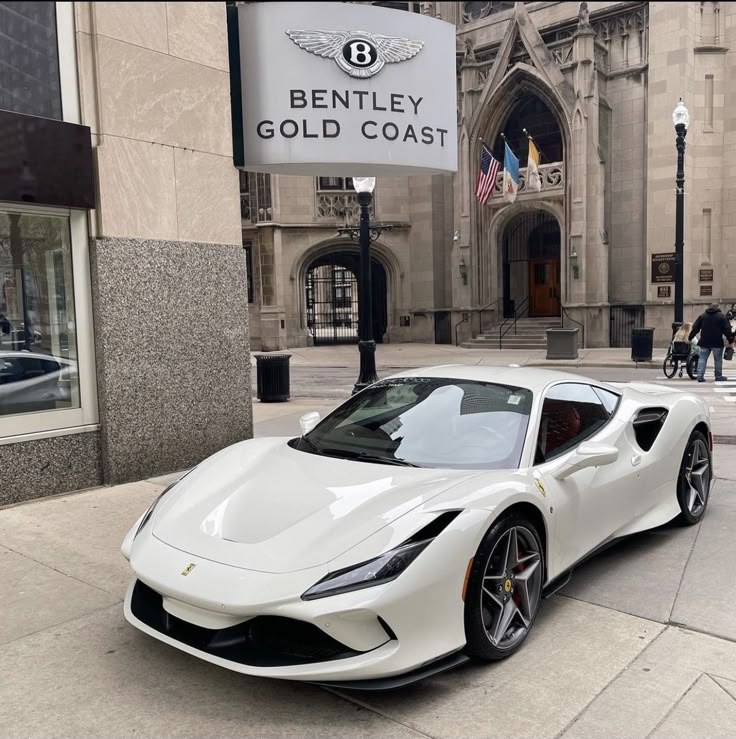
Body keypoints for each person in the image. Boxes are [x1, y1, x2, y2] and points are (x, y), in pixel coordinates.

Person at [688, 303, 735, 382]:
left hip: (704, 342)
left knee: (702, 359)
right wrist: (730, 339)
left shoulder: (703, 316)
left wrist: (690, 338)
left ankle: (700, 375)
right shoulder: (722, 316)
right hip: (717, 342)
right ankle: (718, 376)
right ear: (718, 308)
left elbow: (695, 328)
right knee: (718, 359)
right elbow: (727, 329)